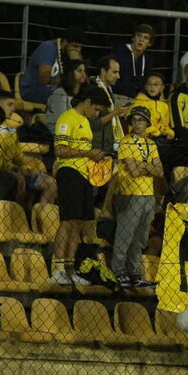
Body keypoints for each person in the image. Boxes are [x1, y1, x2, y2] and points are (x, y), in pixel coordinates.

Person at [49, 85, 109, 285]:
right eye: (97, 109)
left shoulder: (85, 121)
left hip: (84, 174)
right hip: (69, 172)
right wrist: (88, 153)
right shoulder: (67, 118)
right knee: (67, 221)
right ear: (88, 101)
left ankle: (70, 270)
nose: (97, 113)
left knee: (78, 224)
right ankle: (57, 269)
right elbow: (60, 150)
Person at [112, 106, 162, 288]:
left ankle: (134, 272)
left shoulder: (151, 144)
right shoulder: (126, 143)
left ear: (147, 123)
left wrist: (144, 165)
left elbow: (160, 171)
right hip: (130, 193)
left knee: (140, 237)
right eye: (134, 120)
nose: (137, 123)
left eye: (141, 120)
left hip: (148, 194)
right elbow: (133, 172)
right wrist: (149, 166)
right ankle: (118, 271)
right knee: (125, 235)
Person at [21, 25, 86, 104]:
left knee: (86, 94)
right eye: (75, 46)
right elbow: (43, 80)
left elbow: (80, 79)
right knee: (61, 94)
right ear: (65, 42)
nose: (78, 50)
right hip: (33, 89)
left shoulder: (72, 54)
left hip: (56, 89)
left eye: (80, 47)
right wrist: (68, 79)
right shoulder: (49, 48)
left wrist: (74, 63)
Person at [91, 55, 131, 156]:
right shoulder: (94, 91)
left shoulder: (108, 90)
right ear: (103, 71)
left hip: (107, 145)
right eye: (114, 72)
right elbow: (95, 123)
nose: (118, 76)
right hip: (97, 148)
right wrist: (115, 112)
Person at [44, 59, 87, 134]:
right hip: (56, 131)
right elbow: (62, 119)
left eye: (84, 71)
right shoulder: (59, 93)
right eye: (79, 71)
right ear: (70, 73)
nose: (83, 74)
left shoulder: (81, 95)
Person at [111, 24, 154, 98]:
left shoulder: (147, 60)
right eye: (139, 36)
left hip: (138, 98)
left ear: (150, 43)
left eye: (146, 38)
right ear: (133, 38)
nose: (141, 40)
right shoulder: (119, 52)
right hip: (118, 96)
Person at [133, 72, 173, 142]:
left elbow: (165, 125)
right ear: (146, 87)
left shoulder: (164, 105)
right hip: (142, 138)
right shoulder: (139, 101)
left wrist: (169, 132)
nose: (152, 87)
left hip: (159, 137)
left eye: (156, 84)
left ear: (162, 88)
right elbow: (138, 126)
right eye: (149, 84)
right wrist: (157, 132)